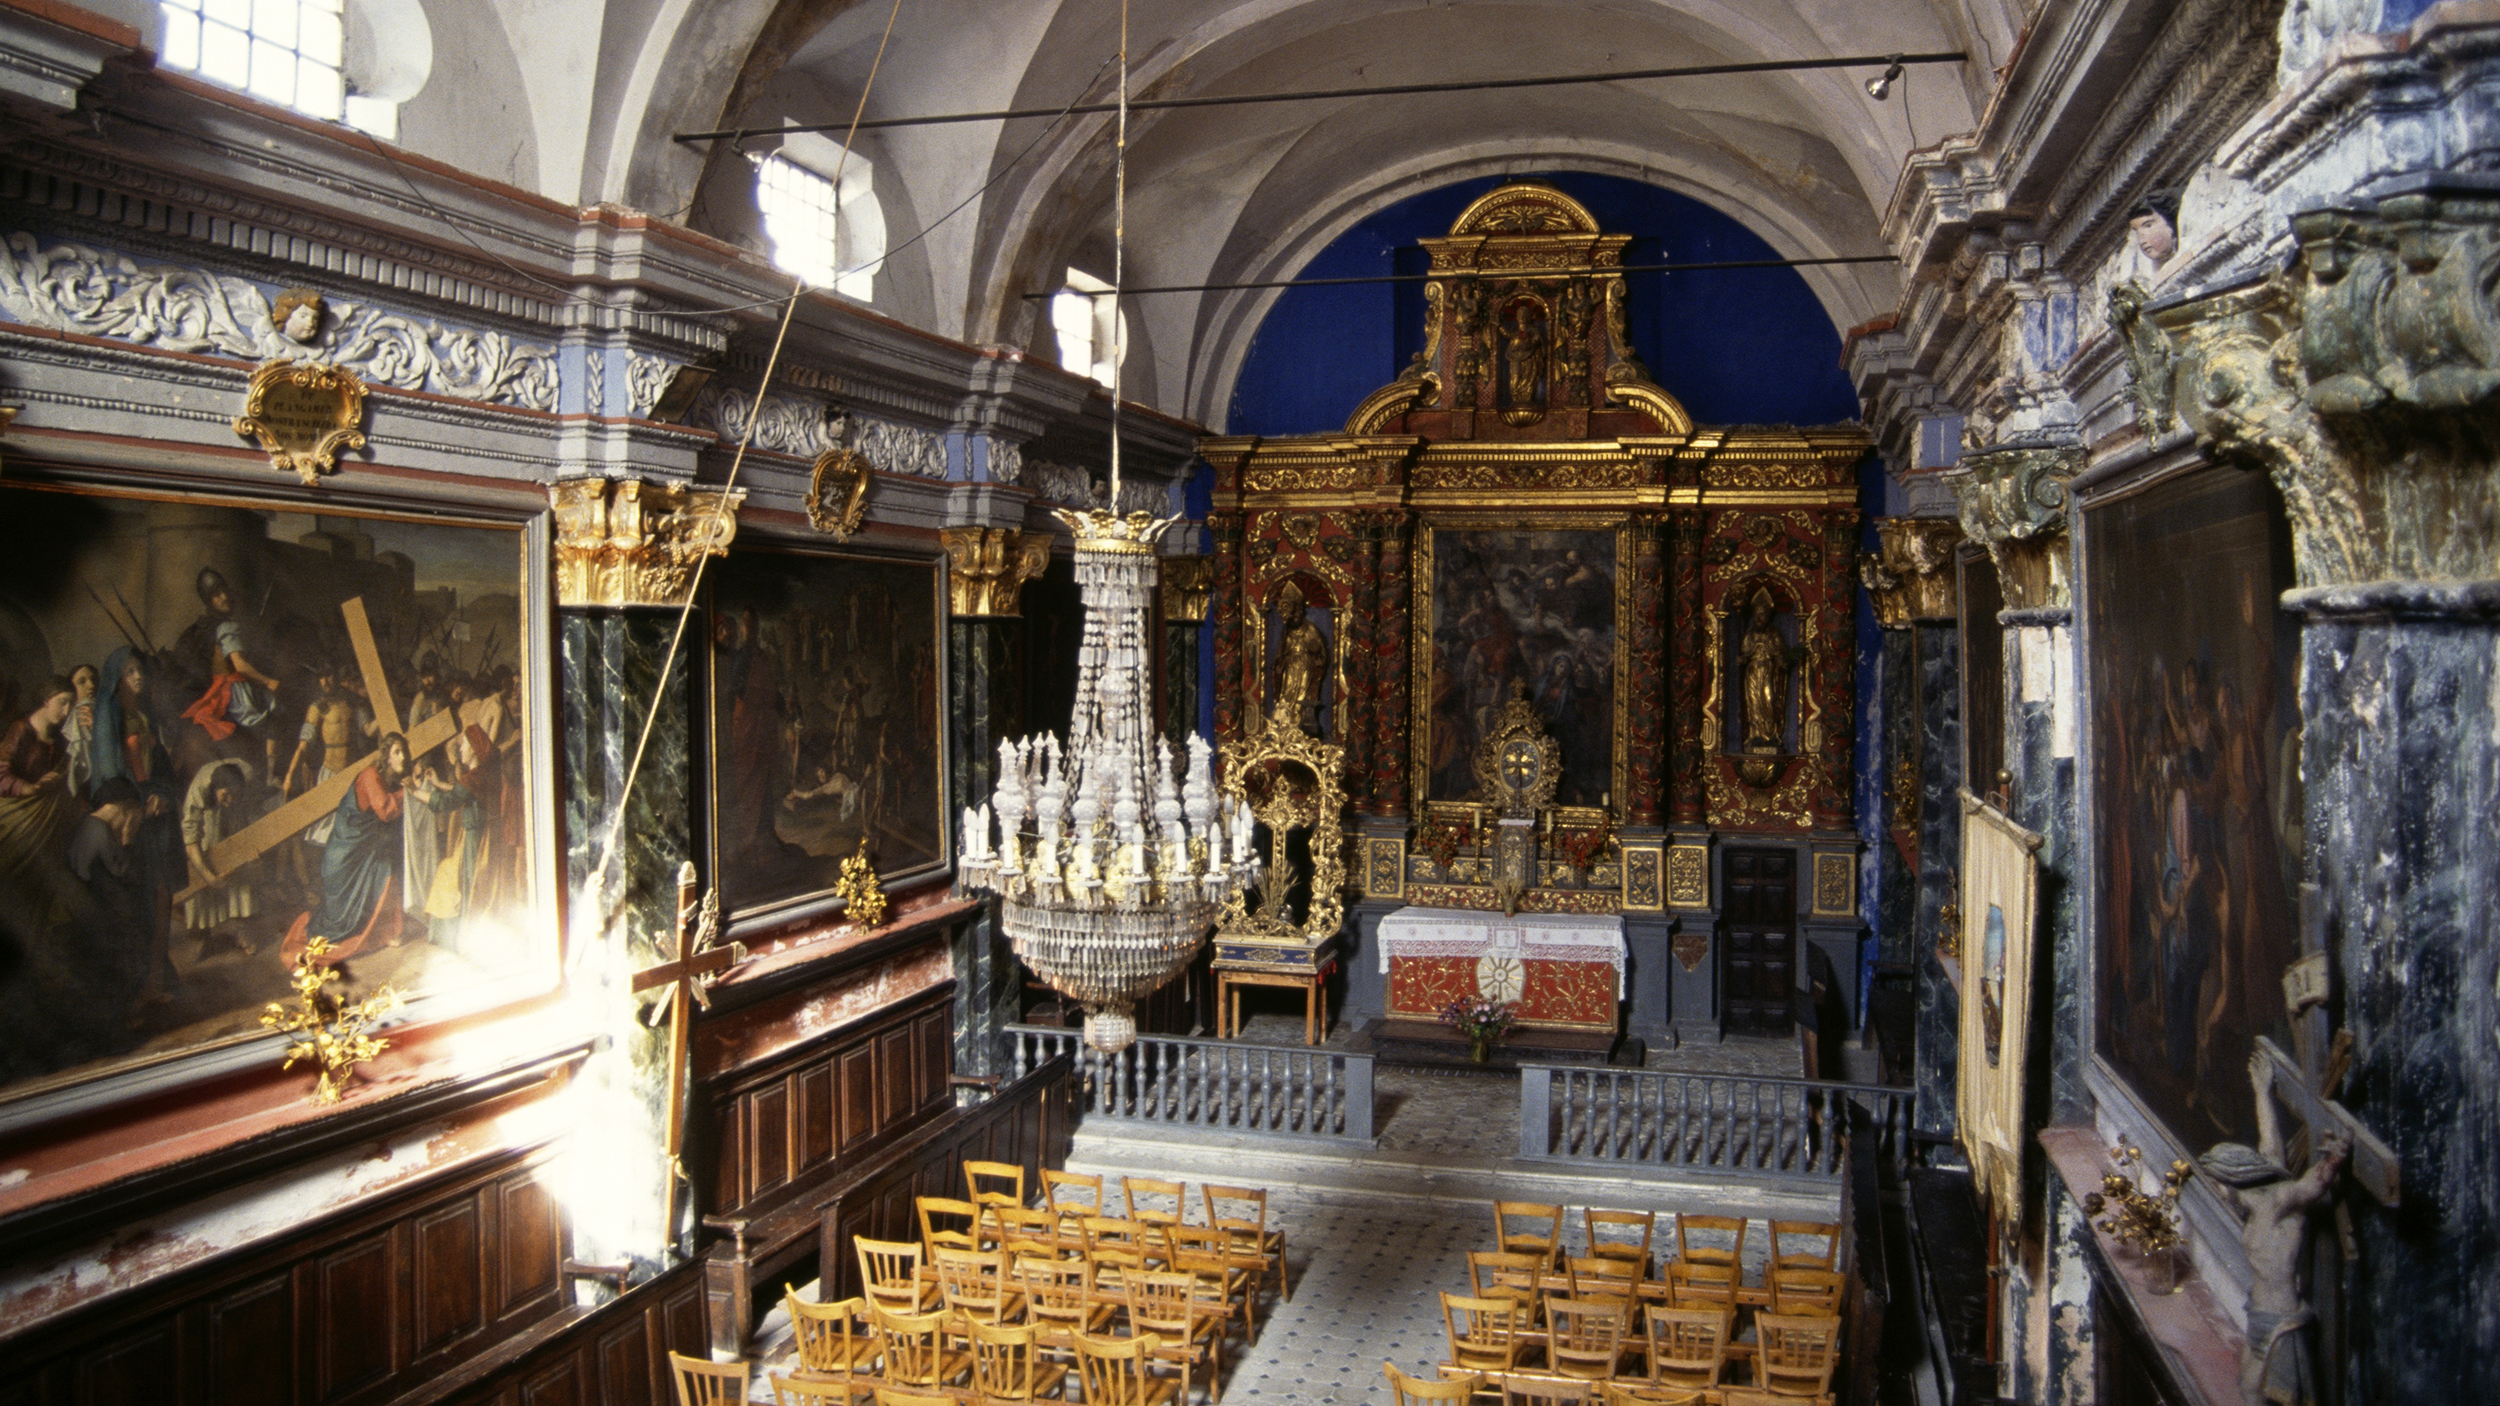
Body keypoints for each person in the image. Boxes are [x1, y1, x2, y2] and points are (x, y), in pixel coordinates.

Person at [2200, 1054, 2348, 1406]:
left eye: (2218, 1185)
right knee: (2248, 1388)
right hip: (2258, 1315)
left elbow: (2311, 1185)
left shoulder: (2277, 1204)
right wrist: (2261, 1090)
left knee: (2263, 1395)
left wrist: (2334, 1158)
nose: (2218, 1194)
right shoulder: (2257, 1201)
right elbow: (2270, 1144)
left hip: (2281, 1322)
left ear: (2232, 1181)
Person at [281, 732, 410, 966]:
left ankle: (388, 931)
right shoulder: (371, 775)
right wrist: (407, 792)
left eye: (404, 752)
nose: (404, 757)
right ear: (386, 756)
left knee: (387, 870)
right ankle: (379, 932)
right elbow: (385, 810)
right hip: (345, 858)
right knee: (336, 926)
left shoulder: (387, 778)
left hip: (363, 854)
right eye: (397, 752)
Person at [175, 568, 282, 774]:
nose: (224, 597)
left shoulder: (208, 625)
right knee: (274, 714)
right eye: (216, 595)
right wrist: (268, 682)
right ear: (209, 601)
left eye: (224, 591)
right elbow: (240, 666)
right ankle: (269, 773)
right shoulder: (226, 626)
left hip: (220, 686)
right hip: (234, 689)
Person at [0, 679, 79, 932]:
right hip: (17, 818)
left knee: (39, 892)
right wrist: (29, 788)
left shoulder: (59, 740)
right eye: (62, 702)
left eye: (71, 705)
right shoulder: (21, 729)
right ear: (46, 699)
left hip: (46, 826)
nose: (66, 711)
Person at [179, 759, 256, 955]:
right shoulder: (199, 791)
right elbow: (190, 840)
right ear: (214, 789)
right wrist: (209, 878)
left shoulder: (247, 775)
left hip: (236, 825)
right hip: (208, 828)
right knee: (205, 876)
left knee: (241, 879)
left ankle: (242, 931)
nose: (230, 799)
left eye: (235, 794)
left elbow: (254, 812)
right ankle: (206, 937)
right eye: (225, 795)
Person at [1739, 592, 1790, 752]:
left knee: (1769, 699)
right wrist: (1741, 660)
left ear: (1768, 616)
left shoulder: (1774, 633)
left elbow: (1780, 653)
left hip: (1768, 670)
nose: (1759, 618)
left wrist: (1782, 662)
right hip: (1753, 671)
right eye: (1757, 615)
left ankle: (1770, 736)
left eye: (1762, 615)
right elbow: (1745, 652)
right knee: (1753, 702)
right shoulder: (1750, 634)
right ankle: (1755, 735)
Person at [60, 663, 97, 802]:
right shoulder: (67, 722)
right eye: (82, 682)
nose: (91, 686)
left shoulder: (108, 713)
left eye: (94, 680)